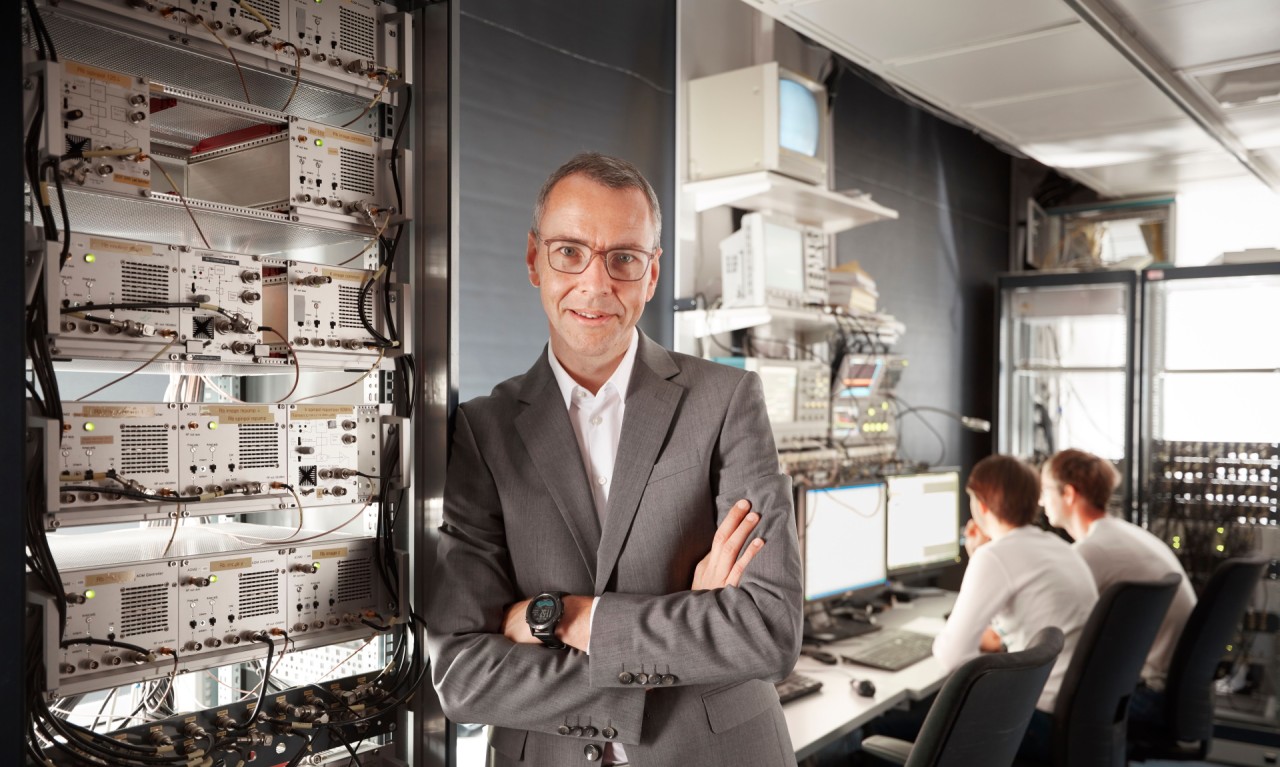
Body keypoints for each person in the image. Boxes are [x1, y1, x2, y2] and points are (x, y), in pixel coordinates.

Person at [425, 152, 804, 767]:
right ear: (533, 260)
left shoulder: (727, 399)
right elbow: (465, 675)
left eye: (623, 259)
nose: (595, 285)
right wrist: (687, 634)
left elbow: (767, 629)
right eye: (570, 252)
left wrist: (568, 618)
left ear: (652, 275)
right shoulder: (481, 432)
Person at [931, 454, 1097, 762]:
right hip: (1070, 716)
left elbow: (951, 656)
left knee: (879, 728)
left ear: (981, 505)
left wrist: (980, 558)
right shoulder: (1056, 546)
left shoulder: (995, 556)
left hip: (1032, 720)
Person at [1041, 448, 1196, 726]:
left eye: (1045, 490)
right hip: (1167, 688)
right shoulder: (1124, 534)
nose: (1041, 501)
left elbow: (1048, 630)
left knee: (1015, 712)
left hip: (1146, 695)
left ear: (1069, 493)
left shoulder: (1092, 552)